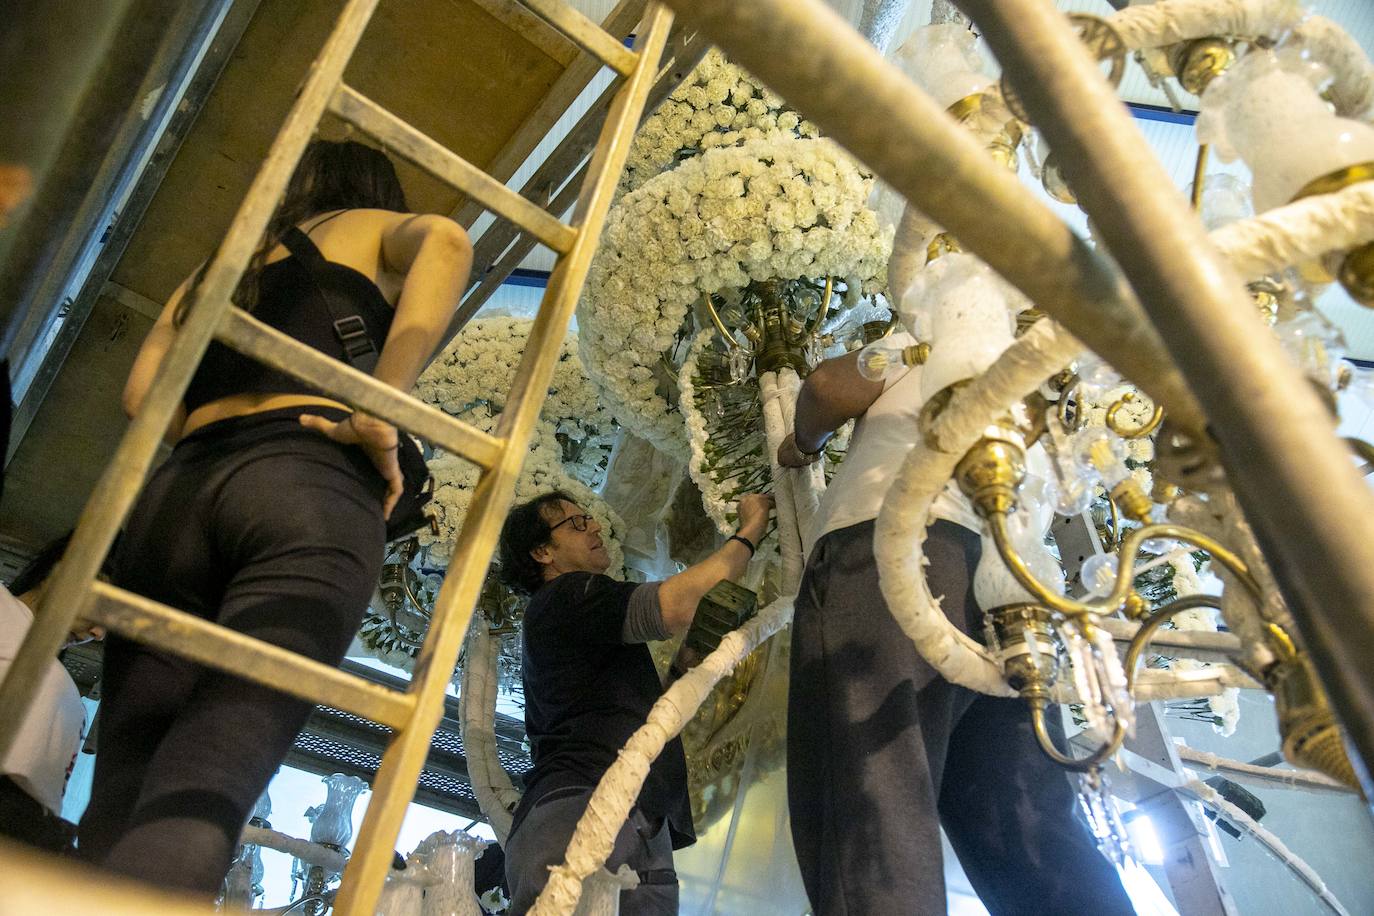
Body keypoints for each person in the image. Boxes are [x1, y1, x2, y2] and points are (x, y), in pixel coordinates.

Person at [76, 139, 472, 895]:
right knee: (209, 777)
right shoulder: (370, 227)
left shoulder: (214, 271)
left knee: (120, 794)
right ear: (373, 188)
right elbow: (450, 242)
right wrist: (380, 407)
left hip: (175, 498)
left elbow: (141, 399)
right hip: (306, 481)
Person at [776, 336, 1135, 916]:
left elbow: (826, 389)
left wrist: (800, 445)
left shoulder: (940, 330)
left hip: (898, 550)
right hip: (1012, 597)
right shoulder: (1057, 386)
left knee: (875, 818)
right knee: (1034, 836)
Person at [496, 489, 773, 915]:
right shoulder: (566, 596)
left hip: (626, 813)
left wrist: (684, 666)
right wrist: (752, 528)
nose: (593, 526)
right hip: (588, 808)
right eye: (574, 523)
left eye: (588, 517)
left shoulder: (572, 617)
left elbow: (625, 713)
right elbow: (682, 603)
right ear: (542, 552)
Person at [1, 535, 92, 853]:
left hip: (32, 833)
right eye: (101, 606)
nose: (97, 632)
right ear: (63, 570)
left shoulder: (70, 695)